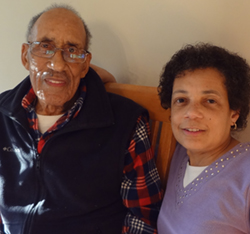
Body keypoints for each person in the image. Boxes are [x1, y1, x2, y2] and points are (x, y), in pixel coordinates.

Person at [0, 4, 162, 234]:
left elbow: (144, 218)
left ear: (85, 65)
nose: (57, 64)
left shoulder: (126, 123)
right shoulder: (3, 114)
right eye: (45, 47)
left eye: (72, 51)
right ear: (25, 56)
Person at [157, 43, 250, 234]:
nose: (191, 113)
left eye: (210, 101)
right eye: (181, 100)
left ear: (234, 113)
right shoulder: (181, 154)